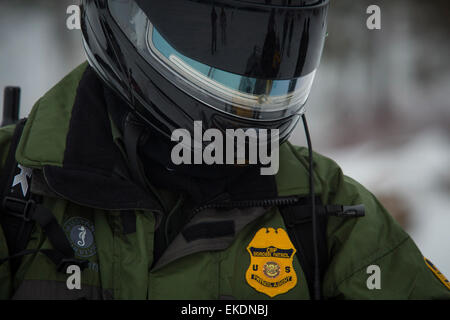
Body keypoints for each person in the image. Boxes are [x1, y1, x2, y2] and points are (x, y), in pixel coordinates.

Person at [0, 0, 449, 300]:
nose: (251, 95)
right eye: (215, 53)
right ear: (129, 25)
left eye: (276, 59)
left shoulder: (326, 210)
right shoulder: (12, 189)